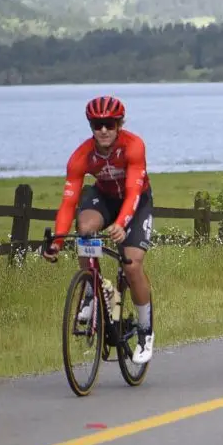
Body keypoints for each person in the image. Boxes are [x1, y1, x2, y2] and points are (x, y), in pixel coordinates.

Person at [42, 95, 157, 365]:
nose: (103, 130)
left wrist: (121, 223)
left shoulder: (134, 146)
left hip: (136, 200)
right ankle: (93, 291)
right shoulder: (81, 156)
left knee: (132, 266)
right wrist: (57, 242)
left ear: (119, 124)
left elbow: (132, 192)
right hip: (103, 197)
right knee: (83, 228)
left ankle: (145, 330)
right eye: (97, 124)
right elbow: (69, 202)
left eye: (109, 124)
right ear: (91, 126)